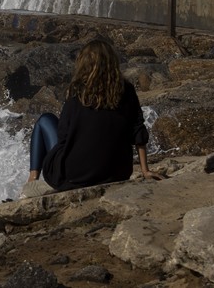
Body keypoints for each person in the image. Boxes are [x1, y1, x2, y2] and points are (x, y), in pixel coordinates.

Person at [26, 39, 164, 193]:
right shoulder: (127, 90)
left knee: (45, 120)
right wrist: (145, 171)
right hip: (117, 174)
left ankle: (32, 180)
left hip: (74, 176)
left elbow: (63, 135)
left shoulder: (77, 91)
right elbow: (138, 131)